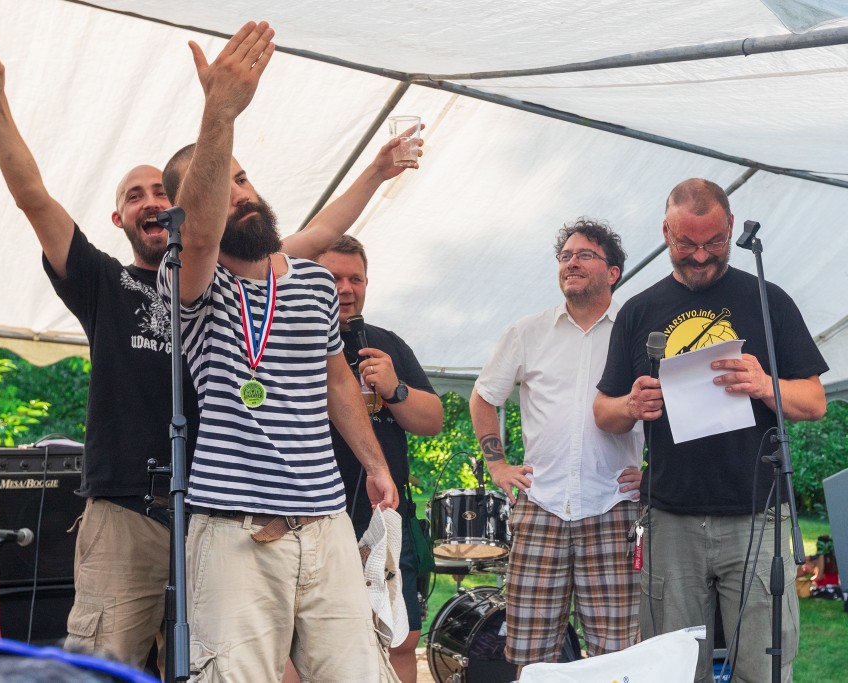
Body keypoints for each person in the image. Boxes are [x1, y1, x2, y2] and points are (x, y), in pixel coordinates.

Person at [0, 14, 414, 673]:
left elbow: (311, 241)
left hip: (217, 501)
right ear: (124, 216)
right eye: (136, 195)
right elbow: (34, 198)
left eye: (163, 191)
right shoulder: (108, 280)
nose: (153, 202)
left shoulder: (255, 273)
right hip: (131, 505)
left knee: (208, 661)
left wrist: (375, 171)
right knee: (110, 661)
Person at [155, 21, 400, 681]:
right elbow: (200, 234)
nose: (239, 192)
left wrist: (374, 462)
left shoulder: (314, 280)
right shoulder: (191, 281)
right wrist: (220, 112)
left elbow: (337, 381)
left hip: (326, 523)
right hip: (234, 528)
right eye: (221, 183)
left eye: (244, 178)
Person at [594, 178, 829, 683]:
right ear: (665, 233)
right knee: (673, 670)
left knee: (762, 669)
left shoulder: (768, 301)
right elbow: (603, 411)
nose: (701, 256)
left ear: (731, 227)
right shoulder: (638, 310)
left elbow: (814, 401)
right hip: (670, 518)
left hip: (757, 516)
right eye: (686, 244)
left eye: (714, 242)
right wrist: (631, 404)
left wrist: (765, 385)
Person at [470, 219, 644, 671]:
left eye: (585, 255)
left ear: (613, 272)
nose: (571, 263)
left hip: (614, 506)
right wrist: (497, 466)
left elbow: (668, 403)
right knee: (531, 658)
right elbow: (483, 398)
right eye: (565, 256)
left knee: (616, 656)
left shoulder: (637, 333)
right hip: (541, 505)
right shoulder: (527, 331)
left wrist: (656, 470)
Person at [311, 235, 443, 683]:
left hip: (385, 517)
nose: (346, 289)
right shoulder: (291, 339)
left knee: (399, 637)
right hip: (314, 515)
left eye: (356, 279)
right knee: (310, 641)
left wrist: (395, 389)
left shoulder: (386, 344)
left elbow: (433, 419)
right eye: (333, 278)